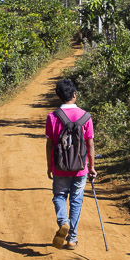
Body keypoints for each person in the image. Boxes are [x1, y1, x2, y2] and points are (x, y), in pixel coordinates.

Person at [45, 78, 95, 250]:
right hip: (80, 168)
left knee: (59, 196)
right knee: (76, 200)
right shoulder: (86, 116)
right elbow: (90, 143)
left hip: (59, 166)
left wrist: (49, 165)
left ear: (59, 96)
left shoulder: (53, 117)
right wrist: (92, 167)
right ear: (74, 95)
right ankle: (72, 239)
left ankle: (63, 222)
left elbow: (50, 144)